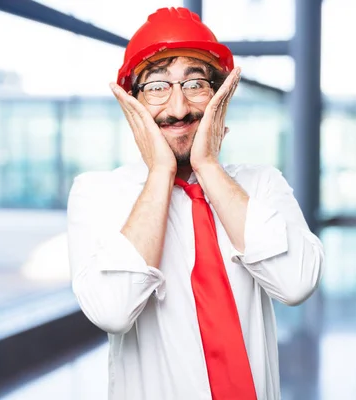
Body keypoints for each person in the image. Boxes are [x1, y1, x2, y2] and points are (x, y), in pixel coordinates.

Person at [67, 7, 324, 400]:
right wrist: (159, 174)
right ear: (131, 104)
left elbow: (296, 284)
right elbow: (113, 311)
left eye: (196, 84)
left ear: (220, 95)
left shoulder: (261, 184)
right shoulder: (98, 194)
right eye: (156, 87)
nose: (178, 108)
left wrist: (207, 165)